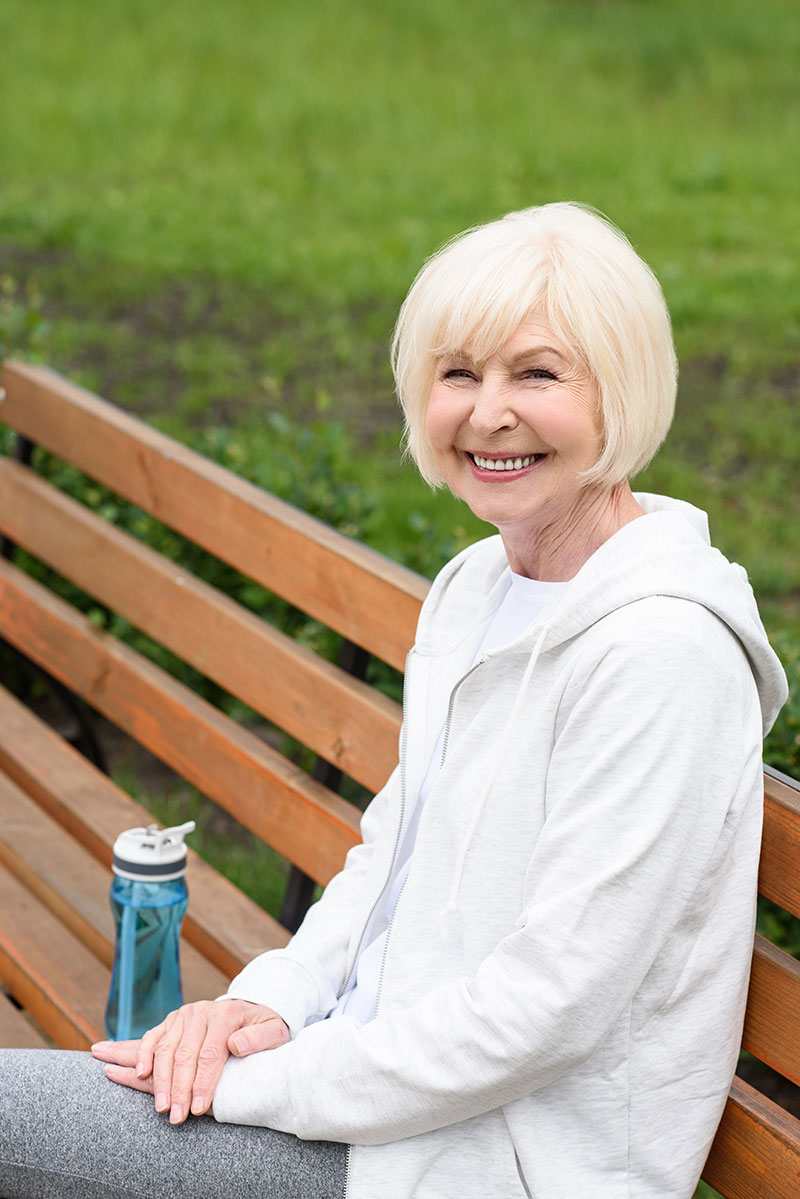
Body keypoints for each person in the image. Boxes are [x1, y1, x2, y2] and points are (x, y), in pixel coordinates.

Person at [0, 202, 788, 1199]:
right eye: (457, 372)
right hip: (367, 1089)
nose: (486, 411)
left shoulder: (661, 655)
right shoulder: (479, 584)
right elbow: (393, 855)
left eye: (535, 372)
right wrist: (269, 1003)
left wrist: (268, 1082)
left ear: (619, 391)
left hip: (480, 1162)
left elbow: (544, 1009)